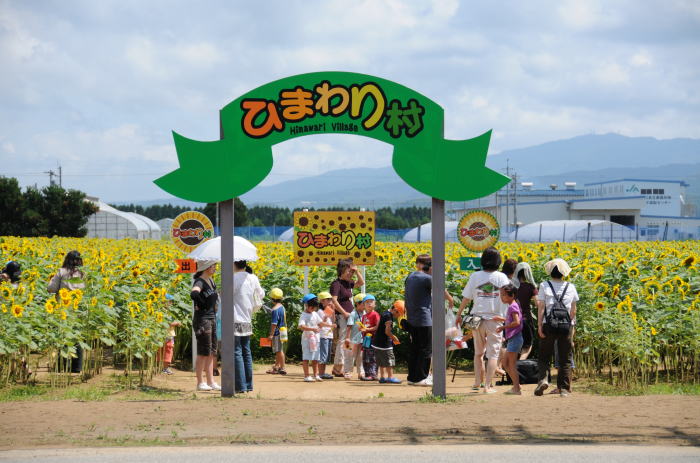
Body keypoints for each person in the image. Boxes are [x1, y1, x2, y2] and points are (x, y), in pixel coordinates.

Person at [457, 247, 510, 394]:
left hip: (477, 320)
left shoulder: (475, 276)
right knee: (493, 354)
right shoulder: (502, 278)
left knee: (478, 353)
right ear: (498, 261)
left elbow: (466, 297)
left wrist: (459, 314)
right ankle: (487, 386)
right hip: (495, 319)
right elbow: (509, 299)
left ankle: (476, 382)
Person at [535, 258, 579, 397]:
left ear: (550, 272)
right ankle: (564, 389)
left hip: (549, 325)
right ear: (564, 273)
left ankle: (543, 380)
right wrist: (571, 328)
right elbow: (573, 311)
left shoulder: (544, 285)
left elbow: (541, 307)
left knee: (544, 356)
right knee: (565, 358)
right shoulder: (570, 287)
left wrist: (540, 325)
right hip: (566, 326)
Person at [48, 251, 86, 373]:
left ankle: (61, 366)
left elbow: (51, 289)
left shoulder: (61, 272)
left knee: (63, 336)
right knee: (76, 337)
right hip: (78, 308)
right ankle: (76, 367)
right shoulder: (83, 273)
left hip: (63, 309)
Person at [233, 260, 264, 393]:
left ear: (234, 264)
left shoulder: (233, 278)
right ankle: (248, 385)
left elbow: (225, 296)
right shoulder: (253, 278)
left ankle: (241, 386)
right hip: (247, 318)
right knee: (246, 352)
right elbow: (261, 294)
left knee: (237, 352)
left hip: (234, 318)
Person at [329, 258, 364, 377]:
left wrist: (357, 271)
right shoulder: (336, 284)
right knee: (343, 340)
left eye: (351, 271)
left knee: (348, 341)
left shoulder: (348, 283)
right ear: (341, 271)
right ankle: (338, 367)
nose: (350, 273)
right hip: (342, 316)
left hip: (351, 316)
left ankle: (339, 367)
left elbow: (361, 283)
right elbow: (334, 300)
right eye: (348, 271)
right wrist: (344, 313)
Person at [403, 254, 433, 386]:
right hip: (424, 318)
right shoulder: (427, 278)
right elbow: (440, 290)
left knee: (414, 348)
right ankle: (422, 377)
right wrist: (450, 300)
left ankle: (412, 377)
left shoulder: (410, 276)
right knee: (425, 349)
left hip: (412, 318)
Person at [190, 260, 219, 391]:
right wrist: (201, 304)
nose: (215, 268)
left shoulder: (211, 281)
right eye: (213, 266)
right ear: (206, 267)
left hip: (212, 318)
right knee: (203, 351)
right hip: (202, 320)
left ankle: (211, 381)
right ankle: (200, 382)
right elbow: (194, 293)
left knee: (212, 351)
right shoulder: (200, 281)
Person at [496, 284, 523, 395]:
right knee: (505, 363)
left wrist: (503, 327)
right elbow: (512, 320)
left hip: (515, 338)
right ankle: (517, 385)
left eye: (503, 295)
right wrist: (502, 319)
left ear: (511, 296)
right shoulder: (513, 305)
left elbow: (517, 322)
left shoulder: (513, 306)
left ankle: (516, 388)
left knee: (510, 364)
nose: (501, 297)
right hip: (513, 339)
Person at [372, 300, 404, 384]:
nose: (398, 317)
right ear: (395, 310)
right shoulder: (389, 317)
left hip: (377, 342)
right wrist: (394, 338)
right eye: (398, 314)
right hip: (385, 344)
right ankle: (390, 377)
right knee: (389, 360)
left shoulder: (384, 313)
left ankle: (382, 377)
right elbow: (387, 332)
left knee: (381, 361)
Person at [513, 262, 538, 360]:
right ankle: (520, 365)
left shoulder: (512, 287)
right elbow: (538, 303)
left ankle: (511, 367)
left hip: (513, 320)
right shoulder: (530, 287)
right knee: (528, 345)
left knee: (514, 345)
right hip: (526, 318)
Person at [298, 293, 323, 382]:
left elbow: (320, 323)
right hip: (306, 340)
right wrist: (312, 328)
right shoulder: (303, 315)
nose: (313, 309)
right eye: (311, 307)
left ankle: (316, 375)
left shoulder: (315, 314)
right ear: (306, 305)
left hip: (315, 339)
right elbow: (301, 326)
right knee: (306, 358)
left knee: (316, 358)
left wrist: (330, 325)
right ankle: (306, 376)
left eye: (315, 307)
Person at [343, 293, 365, 380]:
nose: (365, 305)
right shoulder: (353, 314)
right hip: (351, 339)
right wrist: (347, 338)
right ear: (357, 304)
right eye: (364, 303)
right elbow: (349, 326)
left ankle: (361, 372)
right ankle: (347, 371)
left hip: (361, 339)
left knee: (360, 356)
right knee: (349, 356)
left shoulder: (365, 313)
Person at [266, 288, 287, 376]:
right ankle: (276, 366)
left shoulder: (274, 309)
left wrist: (271, 334)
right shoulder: (282, 307)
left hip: (277, 332)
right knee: (279, 349)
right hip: (283, 331)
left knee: (279, 350)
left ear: (272, 298)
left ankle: (282, 368)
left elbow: (274, 323)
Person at [360, 294, 379, 381]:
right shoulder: (364, 316)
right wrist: (361, 328)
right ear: (363, 305)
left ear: (375, 304)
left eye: (371, 302)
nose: (369, 304)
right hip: (365, 340)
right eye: (367, 302)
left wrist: (367, 329)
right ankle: (367, 374)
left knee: (372, 357)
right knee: (365, 357)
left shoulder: (375, 314)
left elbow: (377, 327)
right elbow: (364, 327)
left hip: (373, 339)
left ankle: (373, 374)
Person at [317, 291, 336, 380]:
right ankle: (320, 373)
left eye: (330, 300)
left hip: (328, 335)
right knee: (323, 355)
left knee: (326, 355)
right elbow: (321, 323)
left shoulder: (328, 310)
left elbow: (333, 321)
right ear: (321, 301)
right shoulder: (320, 311)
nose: (329, 302)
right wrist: (327, 315)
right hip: (323, 335)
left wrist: (333, 311)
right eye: (327, 300)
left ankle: (322, 373)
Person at [160, 293, 181, 375]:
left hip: (163, 334)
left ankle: (163, 368)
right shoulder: (164, 312)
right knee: (168, 351)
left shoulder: (163, 311)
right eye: (170, 301)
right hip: (168, 334)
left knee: (162, 351)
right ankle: (165, 368)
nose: (171, 303)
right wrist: (177, 323)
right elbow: (168, 323)